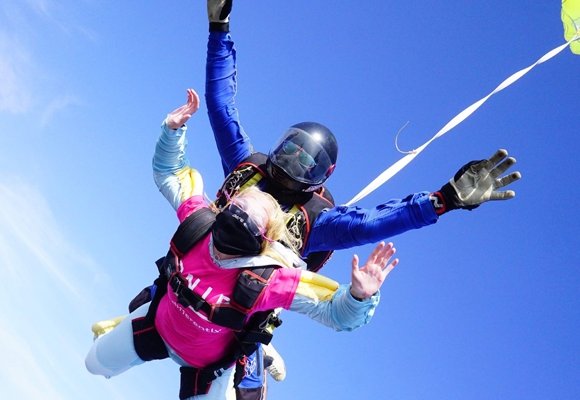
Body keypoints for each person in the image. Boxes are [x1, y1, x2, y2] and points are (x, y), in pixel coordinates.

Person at [203, 0, 522, 396]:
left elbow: (374, 223)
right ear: (279, 145)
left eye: (309, 162)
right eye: (293, 149)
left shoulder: (314, 221)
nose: (295, 163)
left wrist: (446, 198)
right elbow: (220, 106)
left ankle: (259, 353)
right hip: (199, 274)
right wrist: (219, 29)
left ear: (321, 179)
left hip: (245, 308)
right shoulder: (247, 168)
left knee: (244, 384)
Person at [85, 88, 400, 400]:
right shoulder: (199, 220)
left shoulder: (269, 279)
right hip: (158, 326)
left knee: (251, 332)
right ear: (225, 209)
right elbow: (169, 173)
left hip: (208, 368)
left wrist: (361, 295)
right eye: (240, 205)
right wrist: (172, 130)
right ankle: (254, 343)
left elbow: (336, 314)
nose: (244, 208)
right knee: (95, 363)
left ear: (264, 238)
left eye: (252, 213)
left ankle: (255, 352)